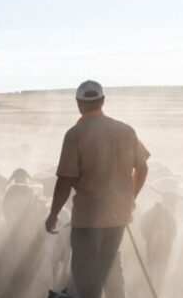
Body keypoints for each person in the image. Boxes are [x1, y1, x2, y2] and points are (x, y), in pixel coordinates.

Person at [45, 80, 150, 298]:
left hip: (87, 218)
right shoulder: (126, 130)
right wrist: (130, 198)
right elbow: (143, 168)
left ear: (78, 104)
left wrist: (53, 214)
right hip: (118, 216)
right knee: (111, 266)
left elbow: (65, 180)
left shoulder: (75, 135)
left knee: (87, 276)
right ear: (102, 101)